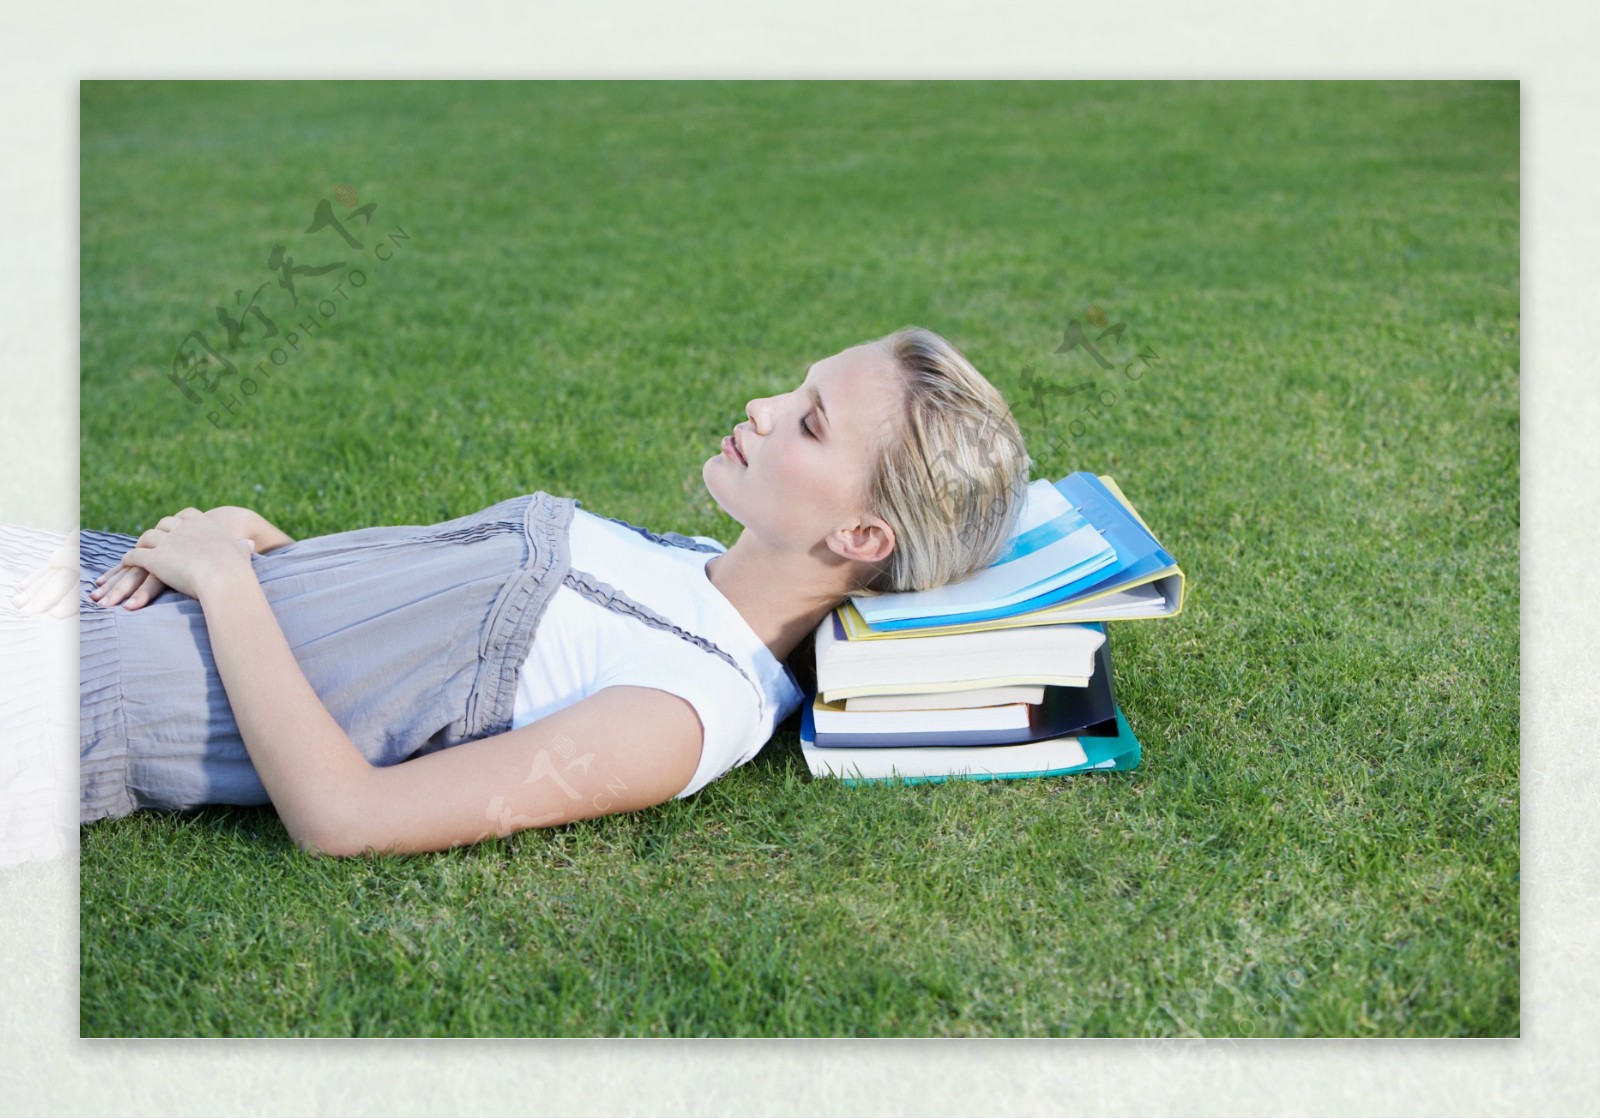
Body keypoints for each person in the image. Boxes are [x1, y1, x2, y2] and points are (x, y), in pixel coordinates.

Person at [69, 326, 1031, 857]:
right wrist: (265, 549)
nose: (764, 408)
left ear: (862, 535)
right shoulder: (687, 560)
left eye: (810, 423)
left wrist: (231, 583)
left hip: (81, 685)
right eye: (798, 386)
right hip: (105, 580)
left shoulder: (690, 707)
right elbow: (396, 642)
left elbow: (346, 817)